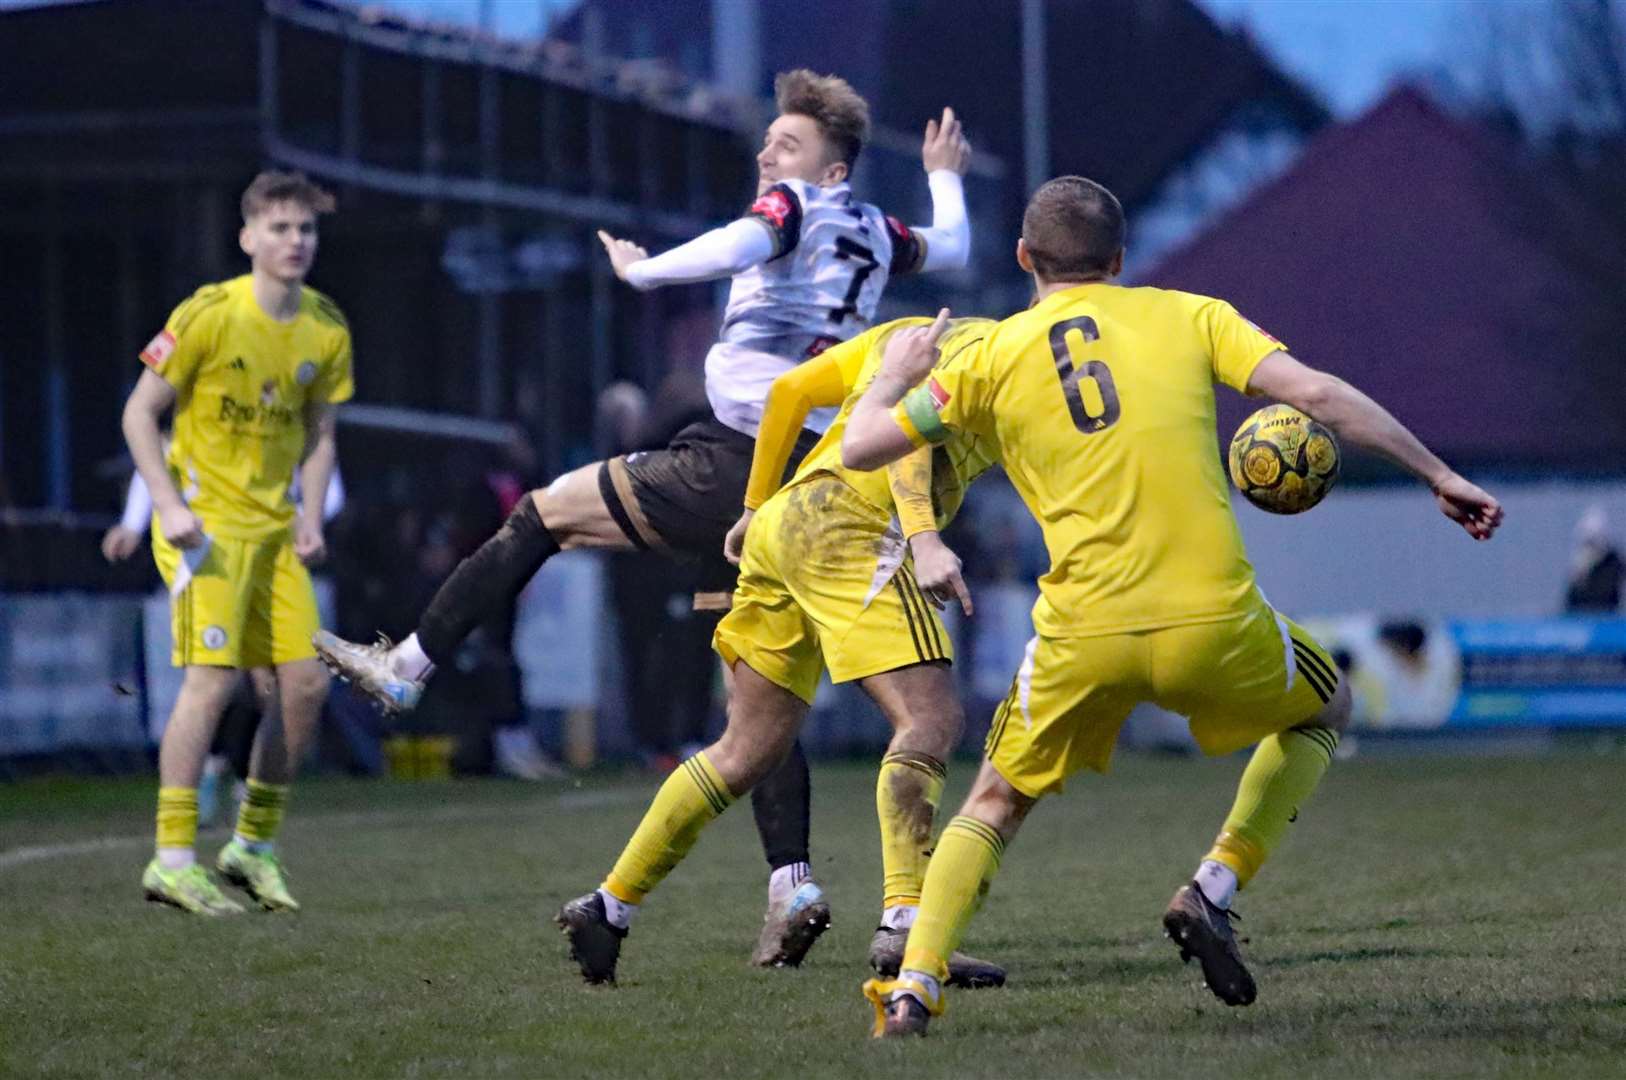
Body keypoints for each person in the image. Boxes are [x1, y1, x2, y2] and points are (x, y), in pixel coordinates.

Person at [315, 70, 973, 964]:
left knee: (545, 514)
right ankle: (792, 886)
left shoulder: (794, 209)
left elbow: (739, 241)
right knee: (757, 706)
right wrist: (944, 173)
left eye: (787, 144)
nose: (766, 154)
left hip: (733, 461)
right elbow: (958, 245)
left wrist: (641, 268)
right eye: (766, 141)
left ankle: (410, 664)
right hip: (807, 479)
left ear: (828, 171)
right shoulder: (875, 230)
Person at [838, 176, 1504, 1036]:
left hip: (1083, 632)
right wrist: (1439, 475)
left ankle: (913, 992)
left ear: (1023, 259)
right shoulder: (1193, 316)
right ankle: (1212, 888)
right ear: (1120, 262)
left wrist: (889, 378)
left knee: (995, 800)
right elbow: (1319, 396)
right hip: (1212, 621)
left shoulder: (987, 358)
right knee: (1327, 703)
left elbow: (862, 445)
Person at [553, 315, 1007, 988]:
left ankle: (609, 906)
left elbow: (790, 391)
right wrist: (923, 534)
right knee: (931, 720)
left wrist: (753, 506)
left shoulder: (912, 328)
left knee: (745, 749)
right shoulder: (1011, 359)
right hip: (857, 526)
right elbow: (912, 425)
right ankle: (907, 925)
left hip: (785, 521)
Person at [121, 169, 352, 915]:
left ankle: (251, 846)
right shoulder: (208, 315)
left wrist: (311, 514)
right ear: (247, 236)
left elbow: (320, 433)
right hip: (205, 530)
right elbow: (138, 415)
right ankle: (172, 858)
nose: (295, 242)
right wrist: (165, 504)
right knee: (212, 683)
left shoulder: (325, 328)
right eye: (280, 228)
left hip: (275, 532)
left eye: (306, 230)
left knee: (307, 682)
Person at [104, 461, 347, 822]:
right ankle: (200, 790)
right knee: (219, 678)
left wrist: (296, 518)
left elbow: (330, 489)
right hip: (212, 562)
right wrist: (133, 523)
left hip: (275, 564)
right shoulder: (207, 418)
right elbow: (157, 454)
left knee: (274, 684)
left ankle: (238, 776)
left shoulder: (294, 422)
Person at [1564, 505, 1622, 613]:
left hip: (1608, 620)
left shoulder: (1615, 564)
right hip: (1583, 620)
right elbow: (1571, 601)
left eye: (1592, 542)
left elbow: (1605, 595)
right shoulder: (1580, 566)